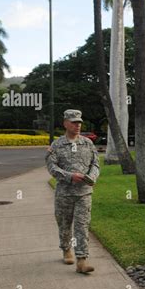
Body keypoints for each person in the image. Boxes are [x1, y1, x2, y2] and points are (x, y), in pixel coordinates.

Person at [45, 109, 100, 274]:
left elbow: (95, 164)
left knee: (82, 225)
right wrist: (69, 176)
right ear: (65, 123)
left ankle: (82, 260)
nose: (78, 125)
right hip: (64, 193)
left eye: (79, 122)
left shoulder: (88, 143)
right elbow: (51, 166)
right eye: (74, 122)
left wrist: (92, 177)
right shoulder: (57, 145)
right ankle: (66, 249)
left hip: (84, 192)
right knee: (64, 224)